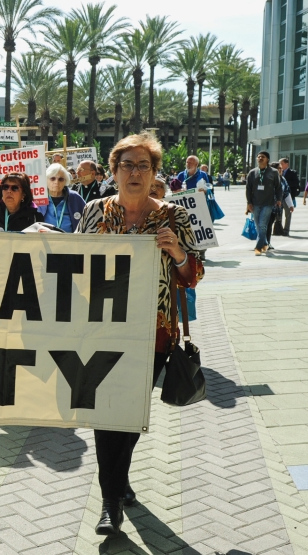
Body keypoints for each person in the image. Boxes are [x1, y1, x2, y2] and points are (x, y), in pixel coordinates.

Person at [74, 132, 203, 536]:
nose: (134, 172)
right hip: (99, 331)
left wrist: (178, 253)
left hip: (153, 335)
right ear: (112, 172)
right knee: (104, 414)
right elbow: (70, 269)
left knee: (129, 416)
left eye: (143, 166)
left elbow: (193, 275)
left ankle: (117, 481)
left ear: (154, 174)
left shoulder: (174, 217)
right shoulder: (94, 211)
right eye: (126, 165)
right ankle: (110, 502)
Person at [245, 151, 284, 256]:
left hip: (268, 203)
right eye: (259, 157)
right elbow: (248, 189)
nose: (260, 158)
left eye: (263, 157)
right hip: (255, 203)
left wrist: (279, 199)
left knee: (262, 225)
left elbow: (278, 187)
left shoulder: (274, 172)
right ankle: (265, 243)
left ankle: (258, 247)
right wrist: (248, 202)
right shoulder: (252, 172)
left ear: (267, 159)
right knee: (258, 226)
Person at [38, 163, 86, 233]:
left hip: (70, 241)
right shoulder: (39, 198)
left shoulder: (75, 197)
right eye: (52, 178)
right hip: (45, 241)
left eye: (60, 179)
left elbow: (86, 219)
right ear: (46, 180)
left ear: (65, 181)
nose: (56, 182)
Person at [277, 158, 301, 236]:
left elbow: (296, 183)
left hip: (287, 196)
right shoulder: (276, 173)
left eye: (282, 163)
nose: (280, 165)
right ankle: (278, 229)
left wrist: (285, 182)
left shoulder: (293, 173)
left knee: (288, 214)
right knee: (278, 214)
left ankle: (286, 230)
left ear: (286, 164)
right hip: (278, 197)